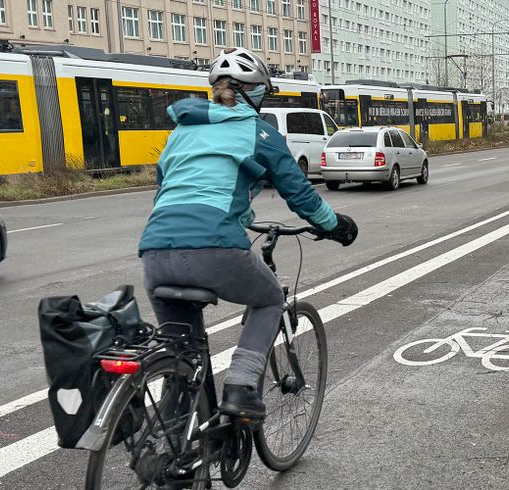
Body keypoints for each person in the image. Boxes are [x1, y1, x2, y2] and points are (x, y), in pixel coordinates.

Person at [138, 48, 358, 422]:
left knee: (183, 351)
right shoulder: (259, 131)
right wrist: (335, 225)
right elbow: (300, 195)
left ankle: (179, 450)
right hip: (215, 246)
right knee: (270, 299)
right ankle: (241, 389)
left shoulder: (181, 131)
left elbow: (172, 189)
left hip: (156, 250)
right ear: (256, 93)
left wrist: (242, 212)